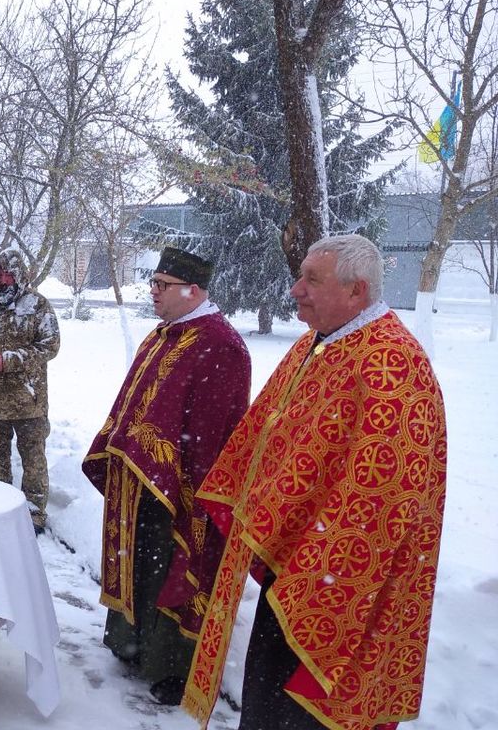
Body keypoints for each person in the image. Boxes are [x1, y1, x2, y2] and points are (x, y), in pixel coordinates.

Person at [182, 235, 447, 730]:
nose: (295, 289)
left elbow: (385, 497)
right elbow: (269, 432)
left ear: (357, 291)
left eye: (312, 280)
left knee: (302, 709)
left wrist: (316, 569)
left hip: (336, 581)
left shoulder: (392, 363)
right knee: (267, 699)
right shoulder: (317, 343)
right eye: (300, 275)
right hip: (289, 559)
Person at [81, 247, 251, 706]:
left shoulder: (220, 343)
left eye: (161, 285)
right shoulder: (164, 334)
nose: (153, 293)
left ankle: (171, 665)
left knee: (176, 569)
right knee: (139, 561)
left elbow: (215, 431)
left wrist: (187, 485)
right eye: (152, 283)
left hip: (181, 487)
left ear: (192, 291)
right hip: (143, 479)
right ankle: (131, 643)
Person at [0, 248, 59, 533]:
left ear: (20, 276)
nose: (3, 280)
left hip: (28, 400)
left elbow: (50, 345)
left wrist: (9, 360)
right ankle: (0, 508)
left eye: (9, 274)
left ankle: (34, 512)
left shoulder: (37, 305)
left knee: (33, 458)